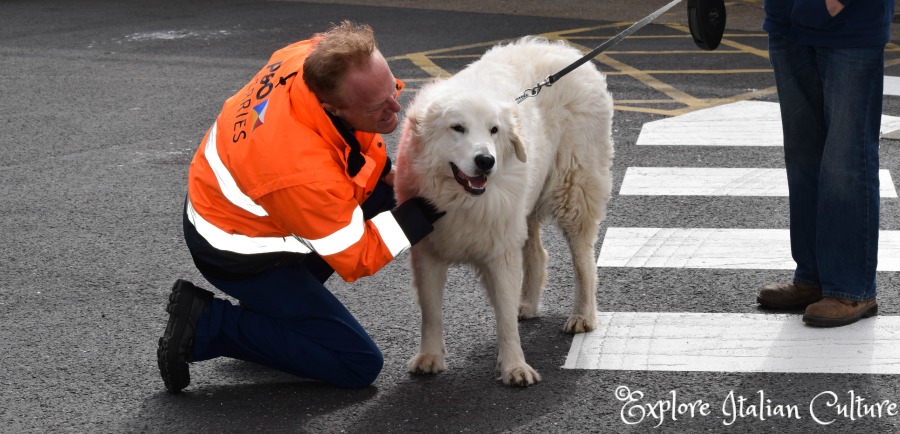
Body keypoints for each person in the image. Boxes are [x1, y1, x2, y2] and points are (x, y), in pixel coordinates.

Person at [157, 21, 444, 393]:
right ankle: (208, 326)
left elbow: (352, 146)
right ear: (332, 107)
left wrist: (388, 172)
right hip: (238, 254)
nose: (396, 107)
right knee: (357, 363)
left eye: (394, 88)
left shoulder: (316, 56)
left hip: (233, 204)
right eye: (378, 106)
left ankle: (271, 321)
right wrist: (423, 211)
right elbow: (355, 257)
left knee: (383, 191)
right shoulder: (301, 171)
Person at [756, 0, 894, 327]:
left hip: (849, 21)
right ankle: (813, 277)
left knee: (846, 161)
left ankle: (851, 288)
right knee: (804, 157)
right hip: (786, 20)